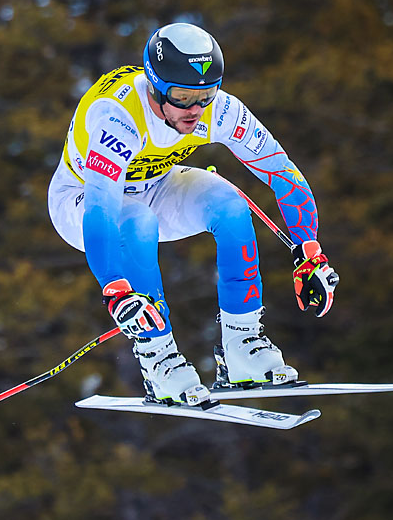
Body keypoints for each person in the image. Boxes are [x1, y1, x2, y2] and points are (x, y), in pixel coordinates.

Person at [47, 22, 339, 407]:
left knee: (231, 205)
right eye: (184, 97)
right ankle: (158, 359)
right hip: (81, 201)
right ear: (155, 86)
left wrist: (310, 251)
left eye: (206, 95)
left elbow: (282, 172)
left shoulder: (219, 111)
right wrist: (114, 288)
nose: (196, 111)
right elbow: (103, 210)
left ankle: (242, 346)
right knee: (137, 222)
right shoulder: (117, 117)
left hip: (156, 185)